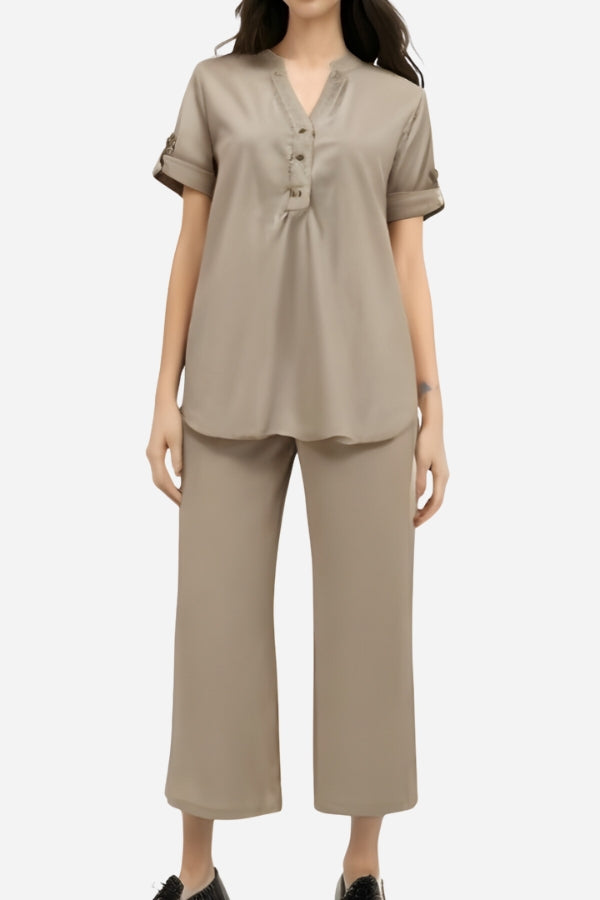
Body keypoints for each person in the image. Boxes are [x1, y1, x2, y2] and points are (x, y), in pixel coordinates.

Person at [146, 2, 450, 899]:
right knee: (211, 630)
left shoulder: (400, 104)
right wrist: (163, 393)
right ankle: (196, 872)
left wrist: (433, 408)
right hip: (228, 392)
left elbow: (408, 265)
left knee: (370, 631)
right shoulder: (216, 87)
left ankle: (363, 866)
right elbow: (191, 243)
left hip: (368, 393)